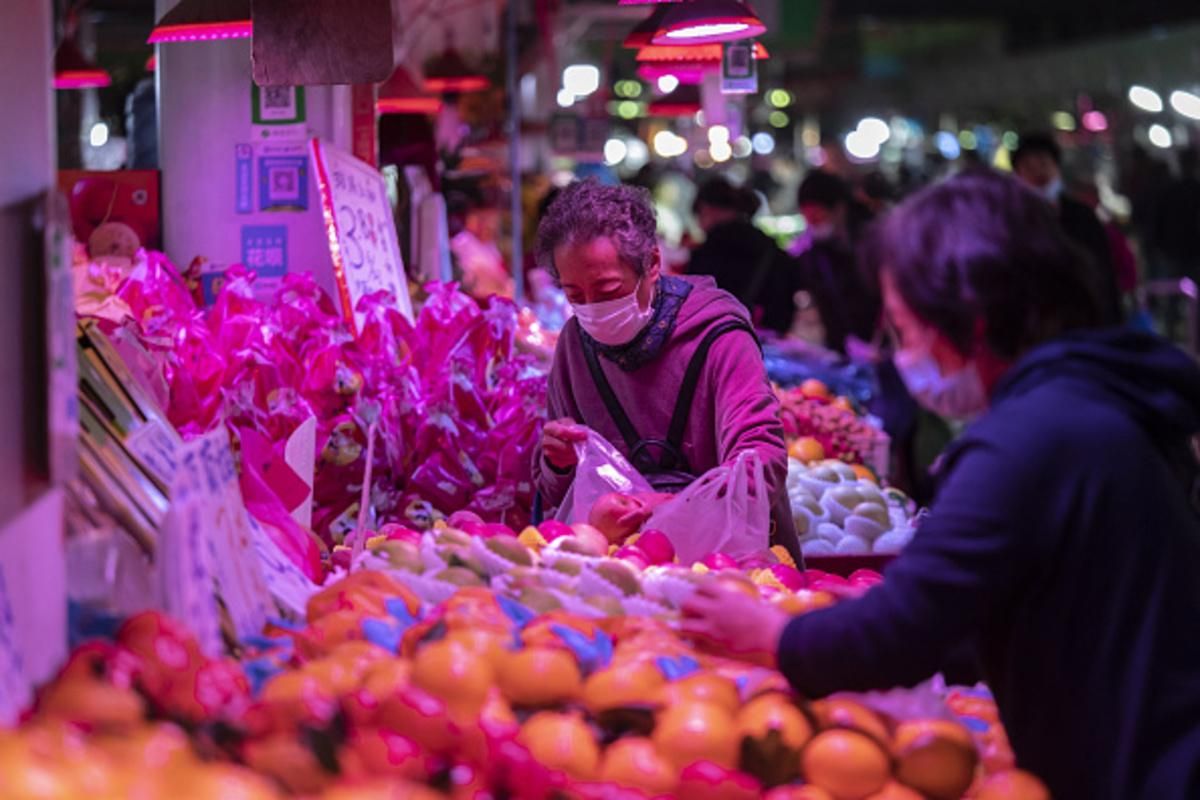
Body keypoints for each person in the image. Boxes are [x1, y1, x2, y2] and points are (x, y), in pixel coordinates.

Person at [682, 170, 1200, 800]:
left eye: (904, 327)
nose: (901, 353)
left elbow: (905, 631)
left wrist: (771, 633)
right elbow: (995, 606)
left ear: (971, 319)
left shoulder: (1027, 439)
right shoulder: (1093, 399)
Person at [532, 179, 800, 559]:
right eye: (575, 295)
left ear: (653, 264)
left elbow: (763, 462)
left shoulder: (718, 336)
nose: (592, 308)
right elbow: (557, 494)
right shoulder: (575, 346)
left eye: (608, 291)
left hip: (724, 565)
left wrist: (670, 506)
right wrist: (557, 463)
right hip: (616, 568)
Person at [1012, 132, 1123, 322]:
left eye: (1044, 164)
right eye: (1029, 167)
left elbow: (1104, 274)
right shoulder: (1011, 220)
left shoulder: (1082, 216)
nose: (1038, 173)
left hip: (1082, 322)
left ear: (1057, 168)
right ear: (1018, 174)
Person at [687, 177, 796, 335]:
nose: (699, 225)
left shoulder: (712, 247)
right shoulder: (769, 247)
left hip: (720, 337)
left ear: (706, 209)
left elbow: (695, 301)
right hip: (765, 337)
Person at [789, 170, 881, 354]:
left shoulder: (875, 242)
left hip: (881, 349)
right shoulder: (815, 252)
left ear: (839, 208)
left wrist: (880, 345)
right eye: (808, 219)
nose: (813, 225)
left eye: (818, 217)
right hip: (846, 353)